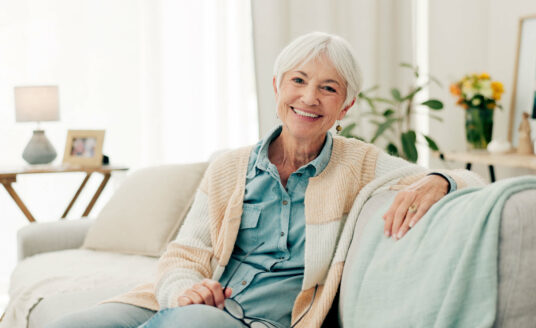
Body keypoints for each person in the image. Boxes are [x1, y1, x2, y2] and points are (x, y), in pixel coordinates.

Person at [46, 32, 480, 328]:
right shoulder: (229, 168)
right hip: (189, 305)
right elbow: (185, 254)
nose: (310, 97)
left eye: (329, 88)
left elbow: (473, 183)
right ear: (277, 86)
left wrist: (440, 179)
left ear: (345, 107)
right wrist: (184, 290)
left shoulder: (360, 164)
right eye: (299, 80)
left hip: (250, 320)